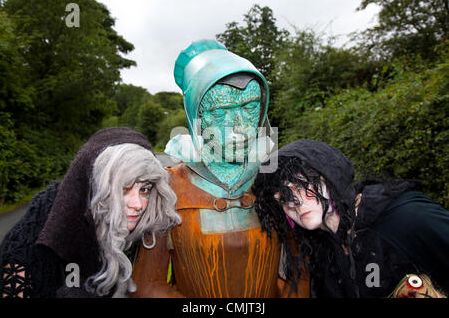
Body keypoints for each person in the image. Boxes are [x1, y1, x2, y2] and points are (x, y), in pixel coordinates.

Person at [130, 40, 309, 297]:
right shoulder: (169, 188)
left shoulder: (276, 180)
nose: (239, 125)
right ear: (197, 120)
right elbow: (147, 284)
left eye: (249, 107)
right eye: (221, 110)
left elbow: (298, 270)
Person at [252, 139, 449, 298]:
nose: (294, 202)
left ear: (331, 176)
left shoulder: (407, 218)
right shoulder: (319, 255)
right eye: (283, 197)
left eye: (301, 186)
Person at [0, 127, 181, 298]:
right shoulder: (29, 245)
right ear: (94, 187)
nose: (139, 204)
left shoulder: (136, 227)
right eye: (124, 188)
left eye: (145, 189)